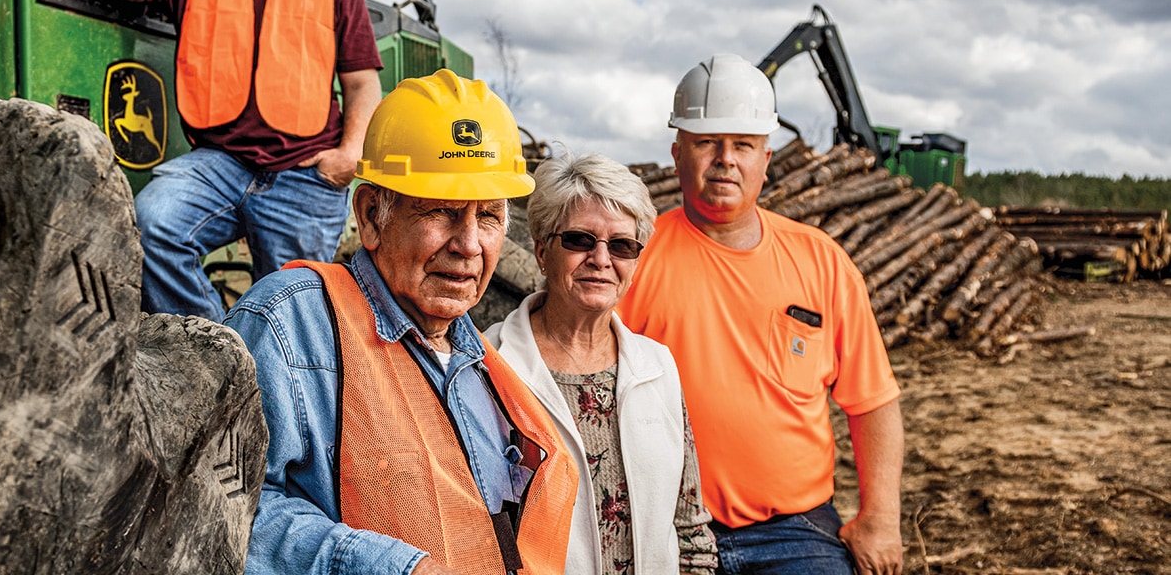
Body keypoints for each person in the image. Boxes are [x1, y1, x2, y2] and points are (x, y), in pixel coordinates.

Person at [0, 0, 384, 321]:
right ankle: (219, 352)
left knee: (299, 313)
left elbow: (361, 84)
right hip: (218, 165)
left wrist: (349, 156)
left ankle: (275, 379)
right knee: (152, 226)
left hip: (305, 174)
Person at [224, 69, 579, 575]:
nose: (470, 245)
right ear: (371, 216)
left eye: (489, 216)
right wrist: (391, 568)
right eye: (442, 211)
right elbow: (230, 504)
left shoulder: (483, 365)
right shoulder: (291, 323)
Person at [617, 54, 904, 575]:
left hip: (794, 532)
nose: (725, 159)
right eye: (707, 143)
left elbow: (873, 402)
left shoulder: (821, 261)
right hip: (662, 524)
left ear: (765, 158)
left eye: (742, 145)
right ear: (677, 154)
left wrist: (880, 518)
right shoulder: (633, 261)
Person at [484, 150, 719, 575]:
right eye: (579, 239)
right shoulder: (490, 364)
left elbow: (688, 527)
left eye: (623, 245)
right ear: (541, 250)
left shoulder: (658, 367)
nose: (601, 259)